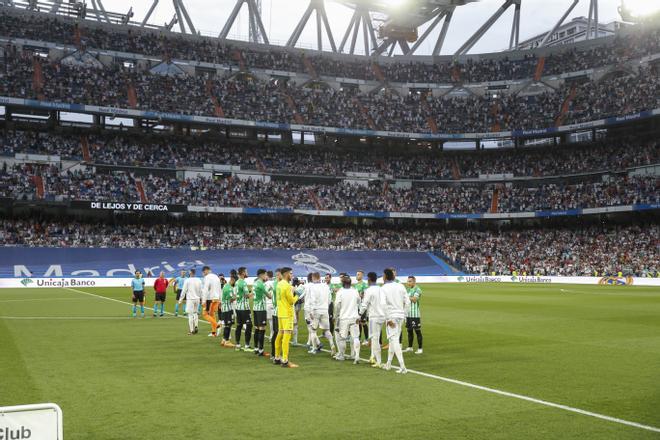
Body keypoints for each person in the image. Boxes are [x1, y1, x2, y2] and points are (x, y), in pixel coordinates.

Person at [380, 268, 409, 374]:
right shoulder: (400, 286)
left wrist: (388, 318)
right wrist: (404, 314)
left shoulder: (383, 288)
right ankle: (388, 364)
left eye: (383, 275)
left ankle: (402, 366)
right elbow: (408, 302)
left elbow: (383, 304)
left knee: (394, 341)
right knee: (393, 340)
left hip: (391, 316)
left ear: (385, 276)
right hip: (400, 316)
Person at [274, 267, 299, 368]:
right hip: (287, 313)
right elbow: (292, 301)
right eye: (291, 273)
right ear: (286, 274)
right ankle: (285, 360)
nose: (292, 275)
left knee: (280, 334)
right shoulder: (287, 285)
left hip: (280, 312)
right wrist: (298, 294)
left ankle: (276, 357)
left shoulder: (279, 284)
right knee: (287, 336)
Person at [359, 271, 385, 367]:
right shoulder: (381, 289)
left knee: (374, 338)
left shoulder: (368, 290)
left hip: (374, 316)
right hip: (382, 316)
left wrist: (359, 314)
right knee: (376, 337)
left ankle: (377, 360)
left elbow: (364, 304)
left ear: (369, 279)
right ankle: (372, 356)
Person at [307, 272, 335, 356]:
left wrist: (311, 311)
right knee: (327, 330)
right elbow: (330, 299)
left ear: (313, 278)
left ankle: (314, 348)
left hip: (316, 310)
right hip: (325, 310)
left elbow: (312, 300)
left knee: (313, 330)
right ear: (320, 277)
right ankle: (332, 345)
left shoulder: (313, 287)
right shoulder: (326, 286)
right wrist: (326, 306)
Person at [234, 267, 253, 352]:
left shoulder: (237, 282)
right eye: (246, 271)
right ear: (242, 273)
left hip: (238, 307)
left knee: (239, 326)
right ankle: (247, 345)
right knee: (249, 325)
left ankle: (237, 345)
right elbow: (246, 295)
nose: (247, 273)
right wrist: (253, 291)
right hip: (244, 308)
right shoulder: (243, 283)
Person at [178, 268, 201, 335]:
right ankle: (196, 326)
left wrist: (180, 300)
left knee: (190, 315)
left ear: (191, 273)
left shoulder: (187, 280)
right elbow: (200, 290)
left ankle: (191, 330)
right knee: (195, 313)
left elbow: (184, 291)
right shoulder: (199, 280)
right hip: (197, 299)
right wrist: (201, 299)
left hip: (190, 299)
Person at [252, 269, 269, 356]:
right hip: (261, 309)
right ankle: (261, 350)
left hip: (255, 308)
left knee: (257, 329)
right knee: (262, 329)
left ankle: (256, 348)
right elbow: (269, 296)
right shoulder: (261, 284)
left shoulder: (254, 283)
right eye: (265, 275)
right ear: (261, 275)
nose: (266, 276)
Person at [404, 276, 423, 354]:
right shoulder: (408, 290)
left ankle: (420, 348)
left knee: (417, 331)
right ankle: (410, 347)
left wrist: (405, 297)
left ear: (414, 281)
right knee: (409, 331)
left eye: (410, 281)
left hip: (415, 314)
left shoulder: (417, 289)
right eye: (408, 281)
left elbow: (414, 299)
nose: (408, 283)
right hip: (408, 314)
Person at [201, 266, 221, 337]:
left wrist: (203, 300)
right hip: (217, 298)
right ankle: (214, 333)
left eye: (203, 273)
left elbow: (205, 289)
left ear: (205, 271)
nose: (203, 274)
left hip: (210, 299)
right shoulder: (216, 277)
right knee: (212, 315)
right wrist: (220, 300)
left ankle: (217, 325)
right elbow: (219, 288)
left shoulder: (207, 277)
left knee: (205, 314)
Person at [220, 272, 236, 348]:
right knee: (228, 325)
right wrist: (237, 297)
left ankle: (223, 340)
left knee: (227, 325)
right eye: (235, 281)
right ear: (232, 280)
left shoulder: (225, 286)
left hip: (224, 308)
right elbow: (230, 300)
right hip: (227, 309)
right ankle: (227, 341)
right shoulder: (229, 288)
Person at [354, 270, 369, 346]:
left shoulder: (364, 285)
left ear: (362, 276)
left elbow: (365, 295)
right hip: (357, 306)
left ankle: (366, 339)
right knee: (358, 322)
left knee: (363, 323)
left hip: (362, 306)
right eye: (357, 274)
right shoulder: (355, 285)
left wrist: (361, 295)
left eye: (359, 274)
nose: (357, 276)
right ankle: (359, 338)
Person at [270, 269, 281, 360]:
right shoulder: (278, 284)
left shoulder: (274, 283)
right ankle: (276, 355)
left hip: (274, 311)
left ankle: (274, 354)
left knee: (276, 333)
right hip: (279, 312)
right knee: (279, 334)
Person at [265, 270, 275, 339]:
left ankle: (272, 335)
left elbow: (264, 293)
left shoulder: (265, 284)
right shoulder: (275, 283)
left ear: (267, 276)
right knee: (275, 320)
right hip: (275, 303)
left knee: (271, 320)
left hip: (268, 303)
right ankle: (275, 334)